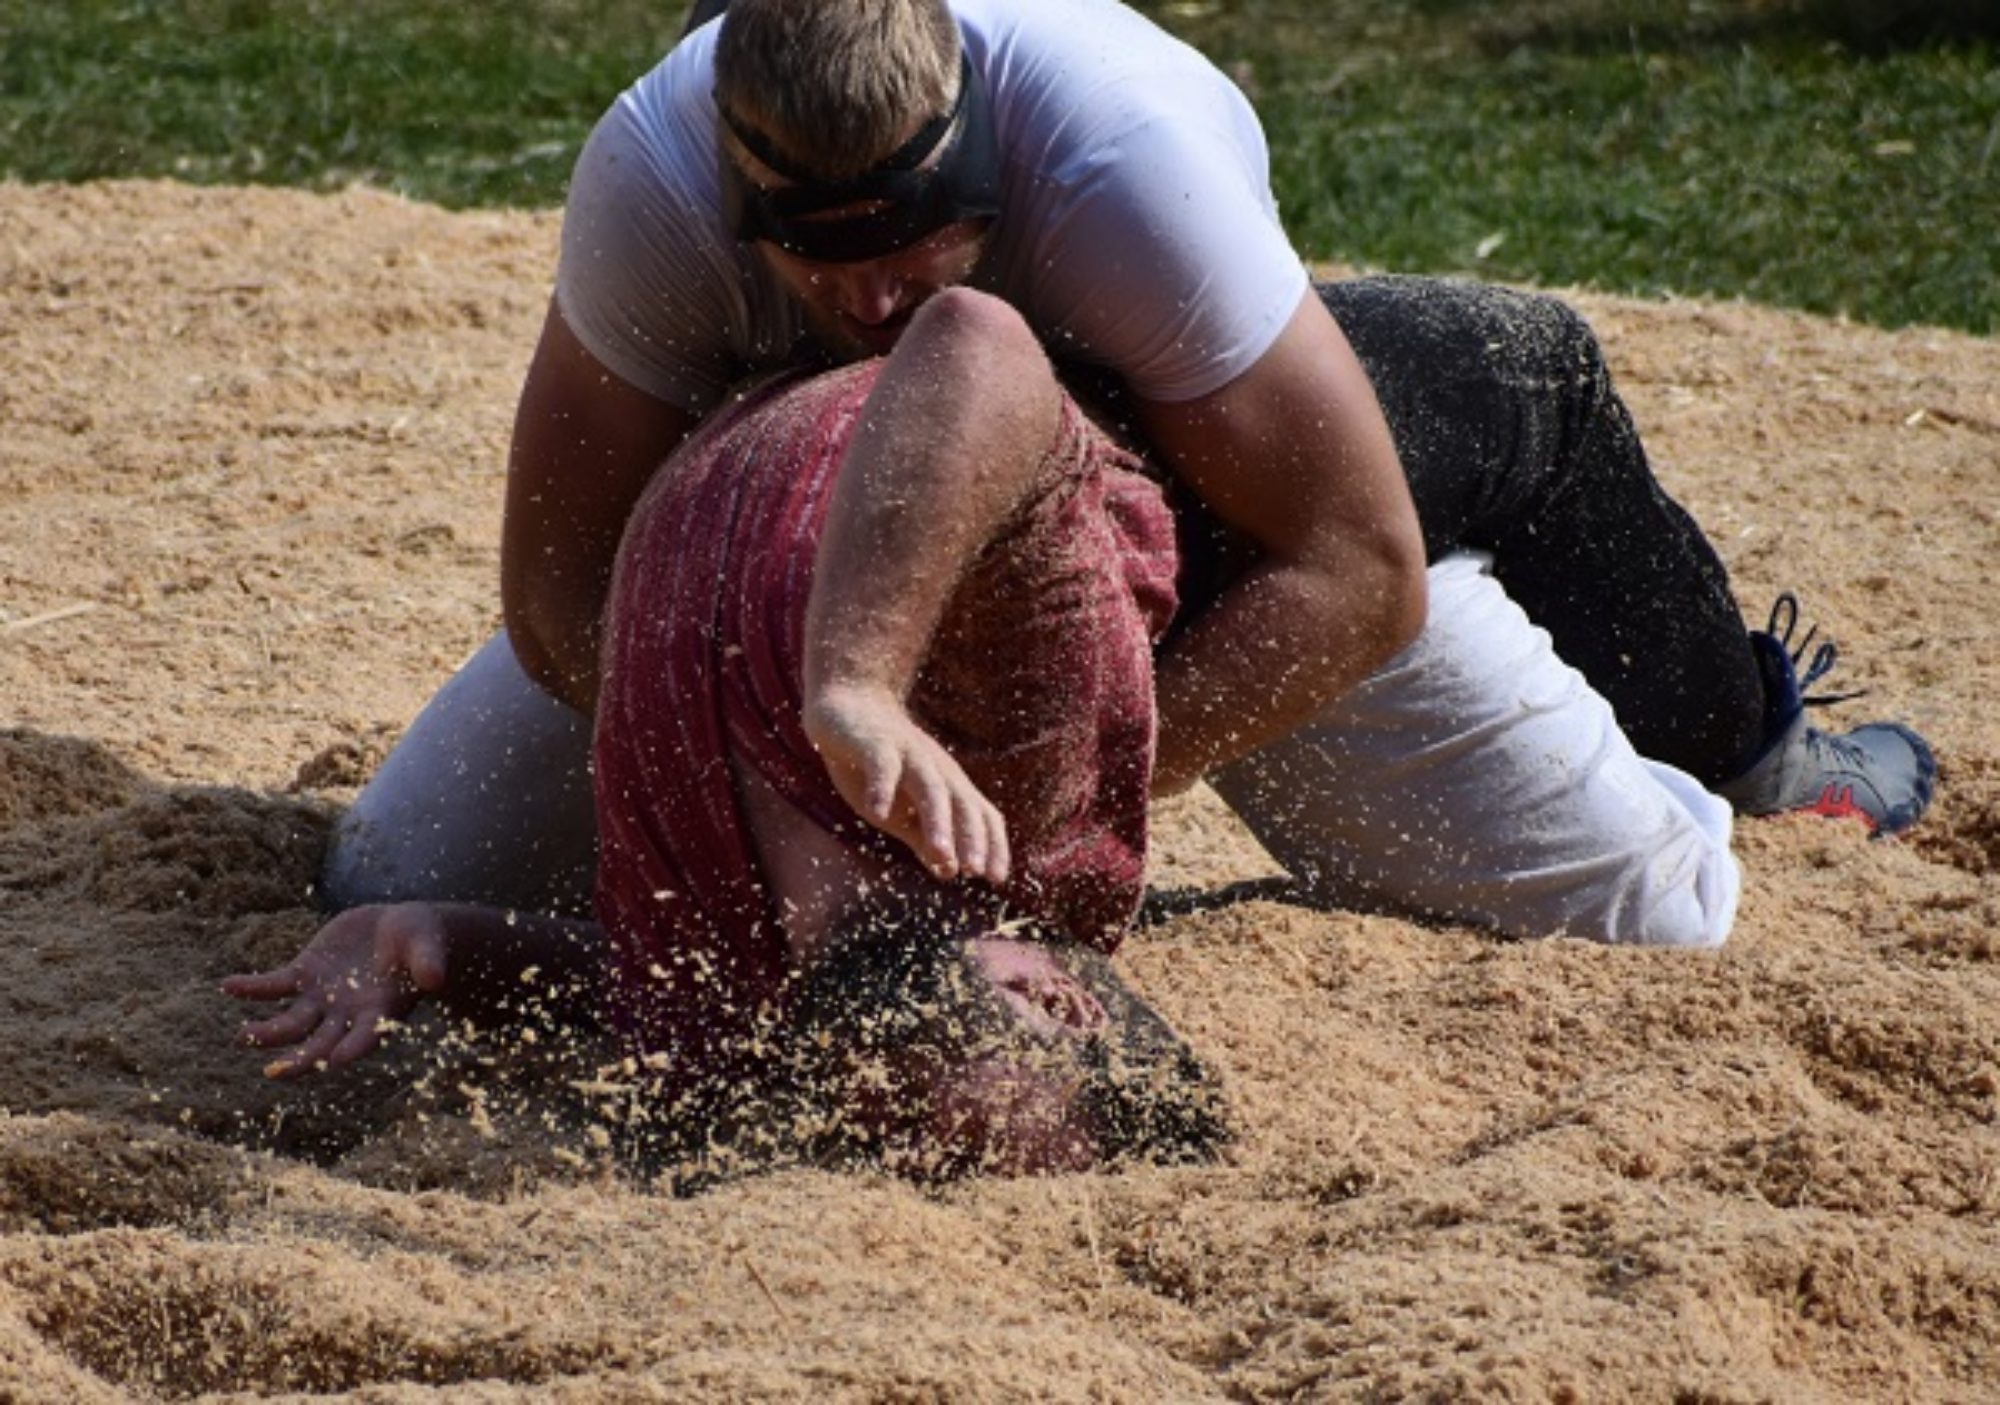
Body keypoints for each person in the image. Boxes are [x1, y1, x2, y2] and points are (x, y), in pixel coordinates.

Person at [316, 0, 1932, 949]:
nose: (875, 300)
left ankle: (1755, 746)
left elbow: (1350, 569)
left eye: (914, 237)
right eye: (821, 259)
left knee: (1650, 928)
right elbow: (554, 596)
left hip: (1213, 519)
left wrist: (1044, 810)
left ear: (973, 147)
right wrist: (758, 799)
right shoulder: (653, 182)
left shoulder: (1116, 162)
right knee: (395, 871)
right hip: (820, 573)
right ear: (734, 177)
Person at [229, 347, 1225, 1176]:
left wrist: (425, 936)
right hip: (1157, 357)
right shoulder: (1035, 803)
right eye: (963, 1136)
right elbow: (977, 342)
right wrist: (855, 680)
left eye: (902, 1149)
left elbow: (642, 985)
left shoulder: (758, 1017)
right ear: (1056, 999)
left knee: (374, 872)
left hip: (654, 575)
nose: (903, 1135)